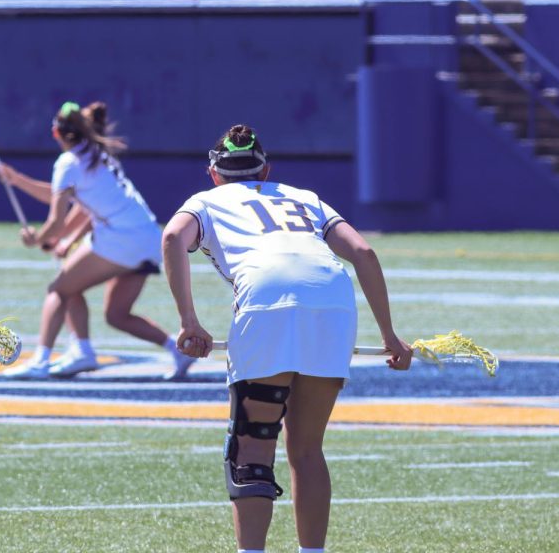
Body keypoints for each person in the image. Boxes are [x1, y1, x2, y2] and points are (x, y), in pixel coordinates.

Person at [161, 124, 413, 553]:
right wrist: (390, 336)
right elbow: (364, 253)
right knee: (307, 449)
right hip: (333, 302)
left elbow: (171, 237)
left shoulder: (205, 201)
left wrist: (189, 321)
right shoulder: (305, 197)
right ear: (265, 170)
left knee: (252, 447)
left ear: (214, 173)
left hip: (265, 303)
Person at [0, 100, 195, 380]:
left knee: (59, 290)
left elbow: (56, 219)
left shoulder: (68, 162)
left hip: (121, 238)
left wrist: (37, 238)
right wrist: (16, 180)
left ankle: (42, 360)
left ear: (56, 133)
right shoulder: (98, 156)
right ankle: (176, 350)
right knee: (116, 314)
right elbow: (82, 206)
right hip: (148, 238)